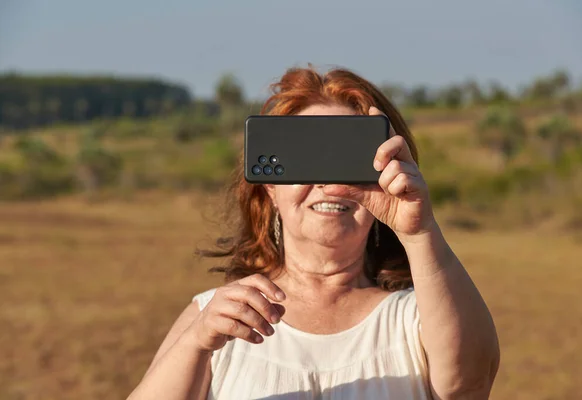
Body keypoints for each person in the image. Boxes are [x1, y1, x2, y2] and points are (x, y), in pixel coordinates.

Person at [128, 65, 500, 400]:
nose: (328, 181)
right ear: (270, 188)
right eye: (306, 160)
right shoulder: (217, 316)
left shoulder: (416, 317)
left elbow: (468, 387)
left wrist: (419, 232)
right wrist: (196, 342)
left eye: (348, 160)